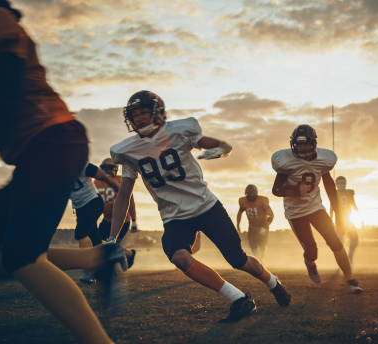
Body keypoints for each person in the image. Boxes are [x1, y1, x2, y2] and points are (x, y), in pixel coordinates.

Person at [0, 2, 123, 343]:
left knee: (23, 256)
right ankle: (99, 256)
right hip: (39, 149)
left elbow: (1, 89)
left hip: (51, 141)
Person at [108, 90, 291, 322]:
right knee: (180, 258)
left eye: (144, 111)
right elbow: (124, 195)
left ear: (158, 112)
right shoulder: (128, 150)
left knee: (238, 260)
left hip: (206, 207)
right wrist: (112, 237)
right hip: (174, 217)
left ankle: (273, 283)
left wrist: (223, 150)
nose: (140, 118)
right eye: (135, 115)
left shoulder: (179, 131)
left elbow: (222, 145)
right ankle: (239, 299)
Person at [271, 124, 363, 293]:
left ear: (313, 143)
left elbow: (329, 186)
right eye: (298, 144)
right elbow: (276, 190)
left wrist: (338, 212)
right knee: (312, 250)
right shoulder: (286, 163)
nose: (302, 147)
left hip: (315, 208)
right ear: (293, 144)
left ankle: (351, 279)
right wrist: (295, 190)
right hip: (295, 213)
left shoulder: (323, 160)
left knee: (335, 242)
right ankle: (310, 263)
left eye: (305, 143)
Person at [95, 158, 138, 243]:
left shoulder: (120, 180)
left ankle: (128, 254)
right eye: (105, 168)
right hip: (107, 220)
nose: (107, 171)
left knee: (113, 245)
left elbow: (129, 199)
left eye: (109, 168)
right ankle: (128, 253)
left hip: (122, 221)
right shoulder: (97, 182)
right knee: (98, 243)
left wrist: (134, 220)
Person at [236, 184, 273, 260]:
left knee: (262, 244)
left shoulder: (262, 201)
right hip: (252, 227)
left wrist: (265, 227)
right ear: (246, 194)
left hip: (263, 226)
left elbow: (271, 215)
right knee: (253, 245)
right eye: (249, 193)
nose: (250, 195)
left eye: (252, 193)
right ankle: (258, 259)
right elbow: (239, 213)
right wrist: (238, 225)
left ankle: (261, 259)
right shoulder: (243, 201)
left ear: (256, 193)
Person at [330, 176, 359, 266]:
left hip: (348, 219)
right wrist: (330, 219)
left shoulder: (349, 193)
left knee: (355, 240)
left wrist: (359, 216)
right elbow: (331, 207)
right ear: (336, 184)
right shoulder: (334, 193)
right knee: (341, 242)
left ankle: (350, 256)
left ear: (345, 184)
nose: (341, 185)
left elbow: (354, 205)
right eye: (339, 183)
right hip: (339, 221)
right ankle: (343, 261)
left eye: (343, 183)